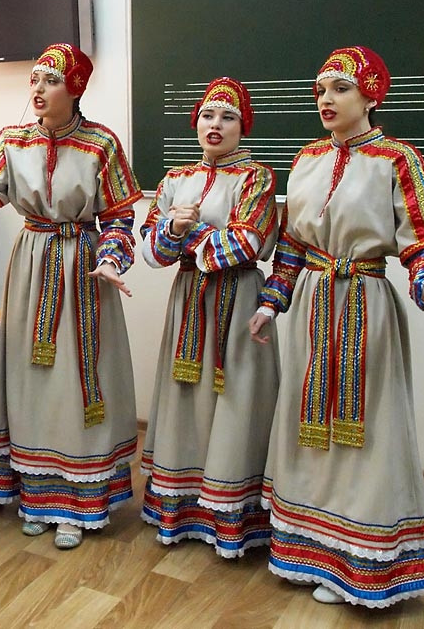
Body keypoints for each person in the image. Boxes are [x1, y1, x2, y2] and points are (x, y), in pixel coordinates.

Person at [248, 46, 424, 606]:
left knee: (365, 426)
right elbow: (293, 245)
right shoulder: (306, 158)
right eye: (320, 90)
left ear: (372, 95)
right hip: (310, 305)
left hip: (363, 303)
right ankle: (308, 549)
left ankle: (359, 562)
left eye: (340, 88)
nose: (326, 99)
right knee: (306, 421)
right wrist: (272, 303)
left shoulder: (398, 159)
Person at [0, 43, 141, 550]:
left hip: (82, 270)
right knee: (31, 380)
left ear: (75, 88)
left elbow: (121, 216)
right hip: (33, 266)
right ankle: (36, 498)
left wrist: (111, 260)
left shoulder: (101, 144)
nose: (38, 89)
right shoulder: (13, 140)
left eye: (51, 80)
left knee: (76, 382)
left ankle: (78, 506)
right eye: (34, 79)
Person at [138, 78, 279, 557]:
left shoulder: (257, 178)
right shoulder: (175, 179)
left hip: (238, 299)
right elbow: (151, 252)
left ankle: (234, 519)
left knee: (238, 399)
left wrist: (186, 229)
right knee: (185, 399)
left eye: (228, 117)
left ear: (244, 126)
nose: (215, 125)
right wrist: (170, 231)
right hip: (188, 301)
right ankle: (181, 513)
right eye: (207, 115)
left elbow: (246, 244)